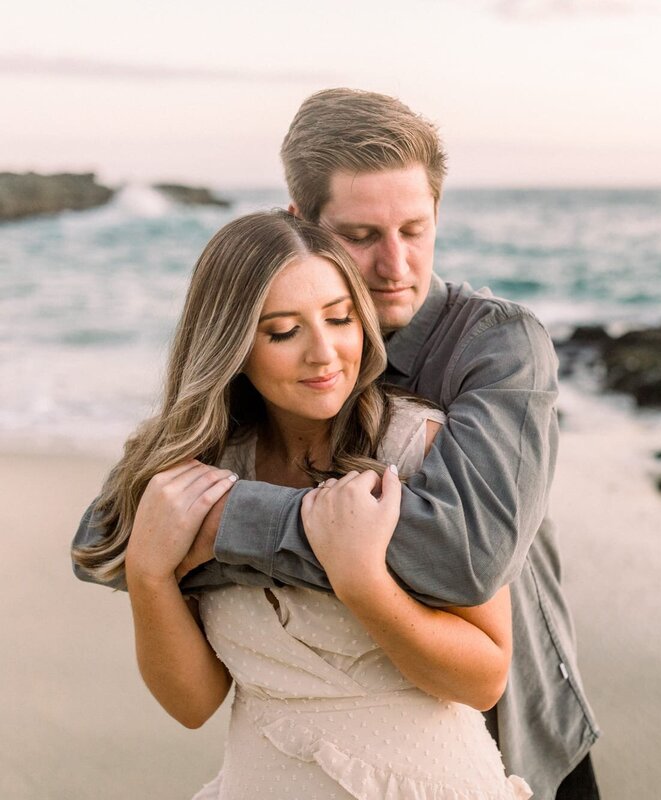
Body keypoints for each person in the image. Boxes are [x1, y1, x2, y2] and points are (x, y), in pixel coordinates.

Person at [74, 89, 600, 799]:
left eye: (415, 229)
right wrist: (158, 556)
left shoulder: (493, 346)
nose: (394, 266)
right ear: (305, 225)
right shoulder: (238, 415)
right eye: (361, 236)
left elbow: (464, 557)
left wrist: (225, 521)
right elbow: (112, 534)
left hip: (520, 736)